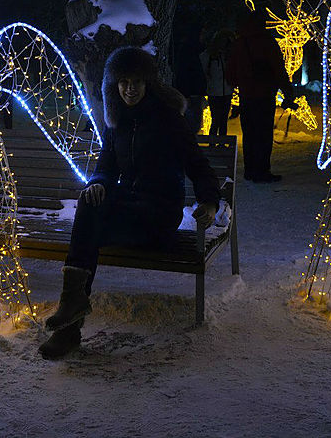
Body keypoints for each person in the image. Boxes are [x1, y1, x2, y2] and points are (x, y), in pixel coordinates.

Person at [39, 46, 221, 359]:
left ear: (148, 83)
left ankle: (70, 321)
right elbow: (106, 167)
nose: (130, 88)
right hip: (130, 207)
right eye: (123, 82)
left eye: (136, 81)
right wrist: (97, 184)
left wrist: (209, 202)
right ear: (115, 84)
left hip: (158, 217)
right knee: (89, 203)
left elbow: (197, 164)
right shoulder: (118, 121)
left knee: (89, 231)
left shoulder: (168, 120)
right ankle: (71, 317)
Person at [225, 8, 295, 183]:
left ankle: (250, 170)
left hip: (246, 96)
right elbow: (279, 70)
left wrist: (241, 84)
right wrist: (288, 92)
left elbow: (231, 73)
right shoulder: (267, 42)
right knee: (263, 134)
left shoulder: (240, 43)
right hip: (265, 95)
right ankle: (262, 171)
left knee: (249, 134)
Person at [173, 23, 208, 134]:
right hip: (191, 94)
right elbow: (184, 72)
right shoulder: (189, 51)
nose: (203, 36)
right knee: (192, 125)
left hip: (193, 93)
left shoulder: (194, 50)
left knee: (193, 124)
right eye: (201, 33)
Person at [199, 29, 234, 136]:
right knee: (216, 120)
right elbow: (204, 69)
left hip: (226, 92)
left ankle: (220, 144)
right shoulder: (209, 55)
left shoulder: (227, 55)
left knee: (223, 121)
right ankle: (213, 143)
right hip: (215, 92)